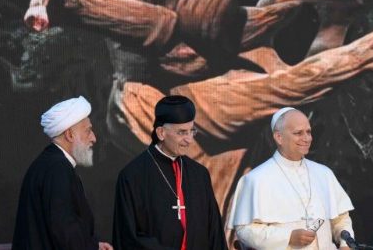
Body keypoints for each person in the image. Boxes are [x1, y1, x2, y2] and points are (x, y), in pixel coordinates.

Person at [227, 107, 355, 249]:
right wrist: (288, 237)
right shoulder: (255, 179)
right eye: (298, 133)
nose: (307, 138)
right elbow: (245, 230)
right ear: (279, 137)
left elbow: (340, 219)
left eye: (308, 132)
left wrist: (345, 243)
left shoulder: (324, 174)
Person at [112, 95, 227, 250]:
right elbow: (128, 237)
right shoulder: (132, 176)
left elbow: (214, 233)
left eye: (191, 131)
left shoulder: (199, 174)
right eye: (181, 132)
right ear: (161, 133)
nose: (189, 140)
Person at [12, 95, 113, 250]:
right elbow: (64, 232)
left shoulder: (51, 164)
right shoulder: (57, 169)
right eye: (88, 131)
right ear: (69, 135)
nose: (94, 138)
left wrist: (94, 246)